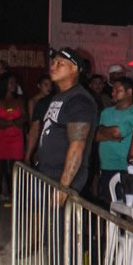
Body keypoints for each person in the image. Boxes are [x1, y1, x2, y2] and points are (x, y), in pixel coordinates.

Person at [38, 49, 98, 197]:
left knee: (57, 213)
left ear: (74, 68)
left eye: (60, 63)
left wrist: (63, 188)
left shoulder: (79, 100)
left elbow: (77, 146)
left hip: (62, 177)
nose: (53, 66)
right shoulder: (59, 97)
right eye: (53, 62)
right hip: (48, 173)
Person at [95, 77, 133, 204]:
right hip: (105, 167)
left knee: (124, 207)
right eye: (113, 90)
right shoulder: (106, 112)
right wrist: (112, 134)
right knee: (108, 207)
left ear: (129, 92)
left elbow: (117, 133)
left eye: (117, 90)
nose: (113, 93)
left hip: (125, 169)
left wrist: (106, 131)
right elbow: (96, 135)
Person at [0, 72, 27, 210]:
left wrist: (6, 122)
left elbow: (24, 117)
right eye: (11, 82)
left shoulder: (20, 99)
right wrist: (12, 122)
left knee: (15, 170)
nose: (14, 85)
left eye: (15, 82)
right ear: (4, 84)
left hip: (16, 138)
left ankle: (17, 202)